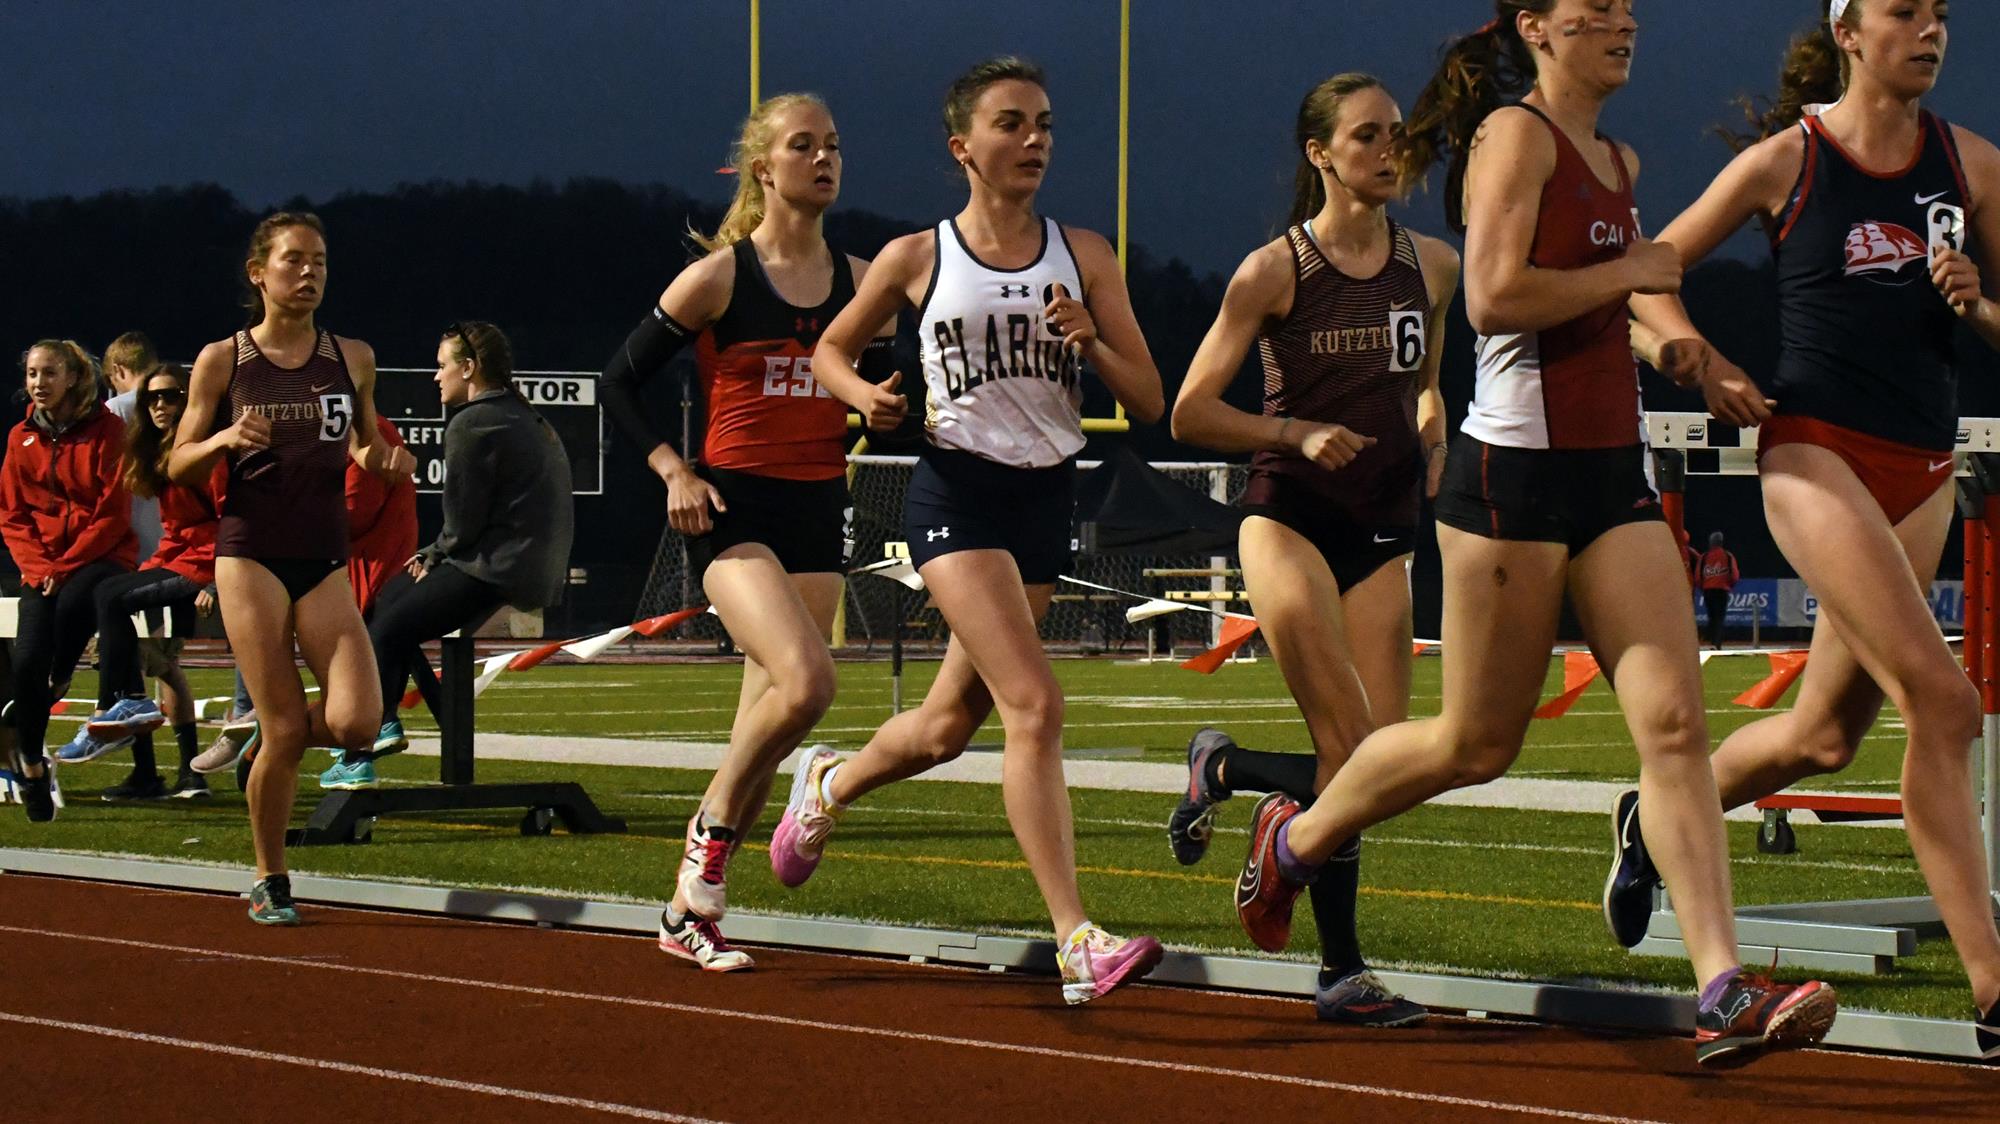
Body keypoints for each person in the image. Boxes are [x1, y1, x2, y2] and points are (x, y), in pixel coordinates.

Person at [1230, 2, 1837, 1069]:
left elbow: (1628, 297)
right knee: (1475, 742)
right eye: (1591, 9)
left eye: (1626, 9)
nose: (1620, 23)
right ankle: (1296, 836)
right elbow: (1496, 296)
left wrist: (1686, 347)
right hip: (1509, 475)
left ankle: (1720, 984)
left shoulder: (1616, 153)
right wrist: (1630, 275)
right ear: (1536, 29)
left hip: (1611, 475)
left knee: (1674, 727)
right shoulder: (1511, 135)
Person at [1621, 0, 2000, 1053]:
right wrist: (1698, 358)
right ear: (1846, 29)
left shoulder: (1968, 163)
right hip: (1810, 450)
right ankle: (1992, 988)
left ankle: (1648, 816)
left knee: (1823, 737)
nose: (1927, 30)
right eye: (1901, 12)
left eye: (1937, 15)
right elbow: (1643, 278)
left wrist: (1976, 308)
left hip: (1919, 464)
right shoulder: (1784, 160)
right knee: (1944, 699)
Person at [780, 57, 1167, 1005]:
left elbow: (1150, 397)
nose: (1033, 140)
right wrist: (864, 394)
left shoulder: (1086, 255)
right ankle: (1077, 939)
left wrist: (1092, 340)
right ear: (963, 147)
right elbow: (828, 347)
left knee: (950, 728)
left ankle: (826, 785)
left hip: (1045, 499)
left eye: (1044, 123)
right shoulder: (920, 256)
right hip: (954, 497)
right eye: (1010, 124)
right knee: (1035, 706)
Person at [1165, 73, 1457, 1027]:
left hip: (1382, 526)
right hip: (1288, 516)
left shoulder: (1436, 266)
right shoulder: (1274, 270)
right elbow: (1190, 411)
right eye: (1367, 135)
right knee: (1352, 749)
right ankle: (1343, 973)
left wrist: (1430, 415)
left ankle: (1231, 770)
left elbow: (1425, 371)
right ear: (1321, 155)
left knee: (1380, 770)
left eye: (1397, 133)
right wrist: (1292, 435)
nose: (1388, 148)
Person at [599, 94, 888, 971]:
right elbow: (617, 384)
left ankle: (686, 914)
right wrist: (672, 471)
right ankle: (707, 842)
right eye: (804, 145)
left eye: (834, 144)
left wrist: (889, 408)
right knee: (807, 686)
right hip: (732, 511)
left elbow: (886, 393)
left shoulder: (864, 278)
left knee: (760, 733)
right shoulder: (720, 277)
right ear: (765, 169)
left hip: (816, 507)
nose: (824, 158)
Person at [169, 211, 414, 925]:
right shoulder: (225, 359)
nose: (309, 273)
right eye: (294, 261)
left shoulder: (352, 356)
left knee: (358, 722)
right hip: (250, 556)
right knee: (284, 733)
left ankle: (266, 737)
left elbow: (362, 445)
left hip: (322, 554)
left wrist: (385, 462)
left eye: (321, 262)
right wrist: (223, 436)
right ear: (259, 273)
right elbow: (174, 461)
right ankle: (270, 876)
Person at [320, 322, 573, 791]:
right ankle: (387, 723)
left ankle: (364, 743)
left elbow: (462, 523)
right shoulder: (522, 413)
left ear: (470, 368)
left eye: (442, 366)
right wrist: (439, 552)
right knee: (391, 603)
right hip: (528, 566)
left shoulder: (472, 422)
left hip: (498, 570)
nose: (436, 377)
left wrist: (436, 553)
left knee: (386, 623)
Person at [56, 364, 223, 800]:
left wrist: (219, 579)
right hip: (177, 559)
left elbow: (233, 519)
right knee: (111, 598)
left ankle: (119, 712)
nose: (161, 406)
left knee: (163, 664)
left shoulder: (206, 448)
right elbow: (174, 530)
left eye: (170, 396)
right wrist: (151, 567)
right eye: (152, 399)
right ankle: (127, 721)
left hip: (206, 564)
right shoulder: (154, 452)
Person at [1, 340, 138, 821]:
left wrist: (65, 565)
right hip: (42, 568)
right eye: (32, 374)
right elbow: (12, 515)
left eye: (49, 373)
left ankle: (59, 677)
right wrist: (39, 567)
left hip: (100, 558)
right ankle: (34, 768)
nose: (39, 383)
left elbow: (112, 514)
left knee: (79, 598)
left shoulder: (109, 430)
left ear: (74, 377)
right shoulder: (21, 437)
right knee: (25, 663)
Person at [1698, 531, 1740, 649]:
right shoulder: (1727, 555)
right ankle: (1717, 643)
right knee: (1719, 618)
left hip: (1708, 591)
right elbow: (1734, 575)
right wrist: (1728, 585)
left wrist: (1703, 587)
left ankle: (1712, 642)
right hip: (1722, 590)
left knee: (1711, 617)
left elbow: (1698, 576)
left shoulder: (1704, 556)